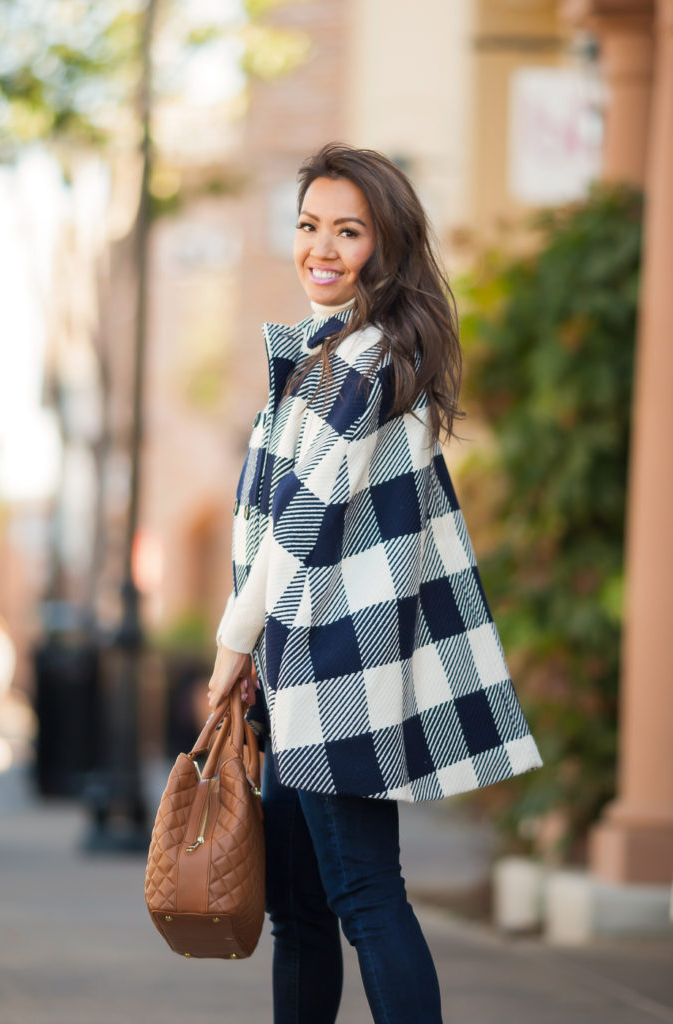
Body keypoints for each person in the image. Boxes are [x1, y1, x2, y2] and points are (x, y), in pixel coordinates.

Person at [207, 142, 543, 1024]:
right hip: (301, 663)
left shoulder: (372, 361)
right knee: (303, 910)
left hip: (337, 670)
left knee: (360, 894)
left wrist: (228, 645)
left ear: (385, 246)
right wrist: (251, 651)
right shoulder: (333, 353)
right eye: (309, 225)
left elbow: (299, 525)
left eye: (346, 231)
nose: (320, 246)